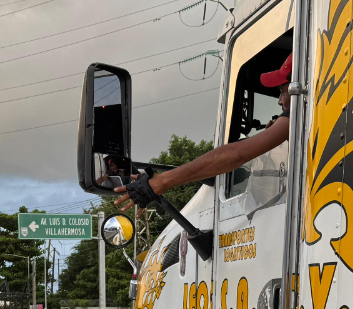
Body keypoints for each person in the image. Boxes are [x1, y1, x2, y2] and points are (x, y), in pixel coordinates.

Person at [114, 54, 294, 212]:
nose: (279, 101)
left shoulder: (297, 114)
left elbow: (236, 154)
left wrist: (162, 182)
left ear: (298, 89)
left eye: (282, 91)